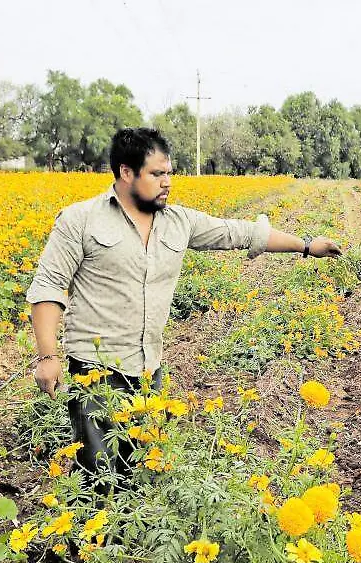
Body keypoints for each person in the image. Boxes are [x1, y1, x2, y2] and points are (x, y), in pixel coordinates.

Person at [26, 127, 341, 485]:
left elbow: (241, 233)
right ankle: (86, 541)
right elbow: (49, 288)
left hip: (148, 371)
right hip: (97, 372)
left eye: (169, 173)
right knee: (99, 475)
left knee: (140, 472)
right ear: (126, 173)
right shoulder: (80, 220)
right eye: (157, 174)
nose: (167, 183)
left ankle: (127, 539)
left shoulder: (179, 222)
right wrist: (49, 356)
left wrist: (306, 245)